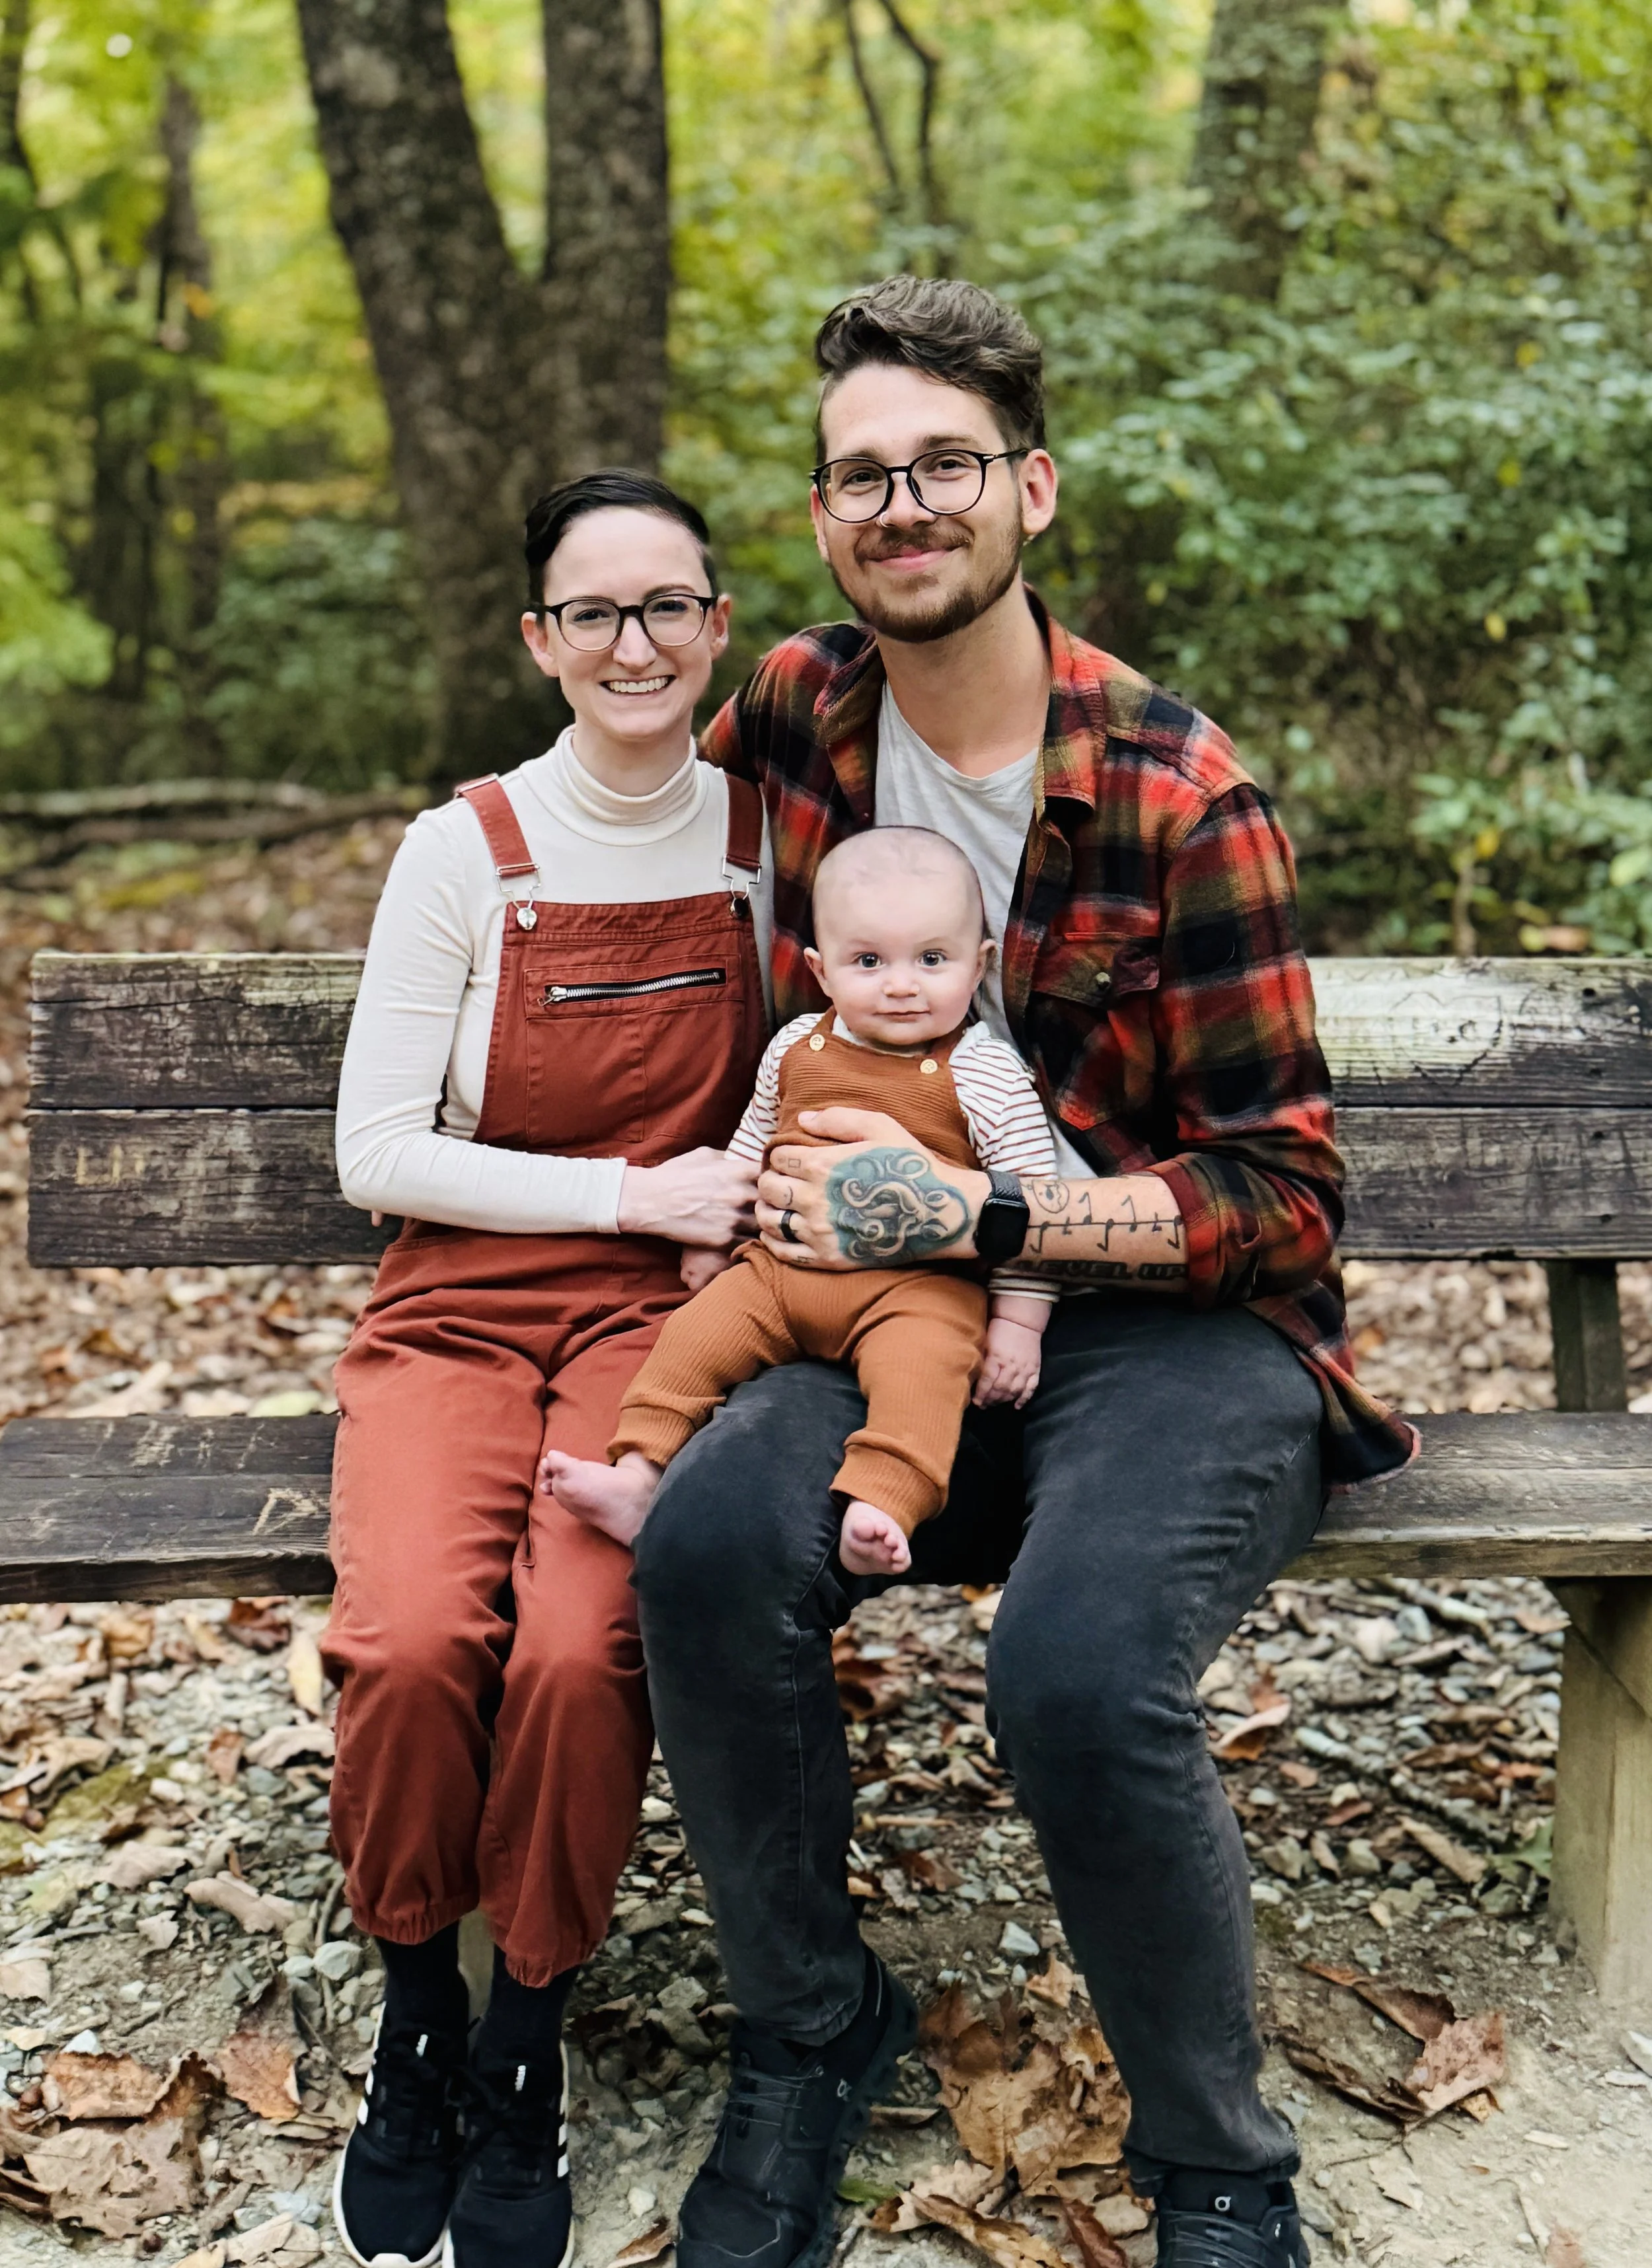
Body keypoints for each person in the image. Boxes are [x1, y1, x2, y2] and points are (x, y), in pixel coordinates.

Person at [627, 277, 1417, 2268]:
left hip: (1173, 1343)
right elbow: (601, 837)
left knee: (1068, 1668)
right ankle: (808, 2032)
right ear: (820, 518)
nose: (904, 506)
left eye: (944, 467)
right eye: (860, 476)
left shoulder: (1173, 788)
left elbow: (1278, 1198)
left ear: (1028, 490)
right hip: (879, 1333)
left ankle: (1219, 2168)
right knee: (707, 1541)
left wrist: (979, 1224)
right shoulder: (793, 714)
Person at [322, 470, 770, 2268]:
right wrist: (624, 1184)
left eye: (669, 606)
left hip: (662, 1322)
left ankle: (525, 2034)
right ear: (540, 639)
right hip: (454, 1307)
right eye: (594, 612)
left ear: (718, 624)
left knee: (586, 1643)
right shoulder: (467, 848)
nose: (634, 643)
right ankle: (415, 1999)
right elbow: (375, 1150)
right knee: (420, 1639)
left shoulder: (768, 839)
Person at [544, 825, 1057, 1577]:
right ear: (820, 969)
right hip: (777, 1274)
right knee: (690, 1342)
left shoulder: (986, 1076)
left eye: (933, 959)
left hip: (917, 1291)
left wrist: (1017, 1323)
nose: (902, 983)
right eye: (870, 961)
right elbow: (753, 1146)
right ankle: (639, 1476)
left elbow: (1031, 1208)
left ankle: (883, 1505)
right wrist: (713, 1239)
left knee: (924, 1377)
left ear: (979, 964)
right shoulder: (794, 1047)